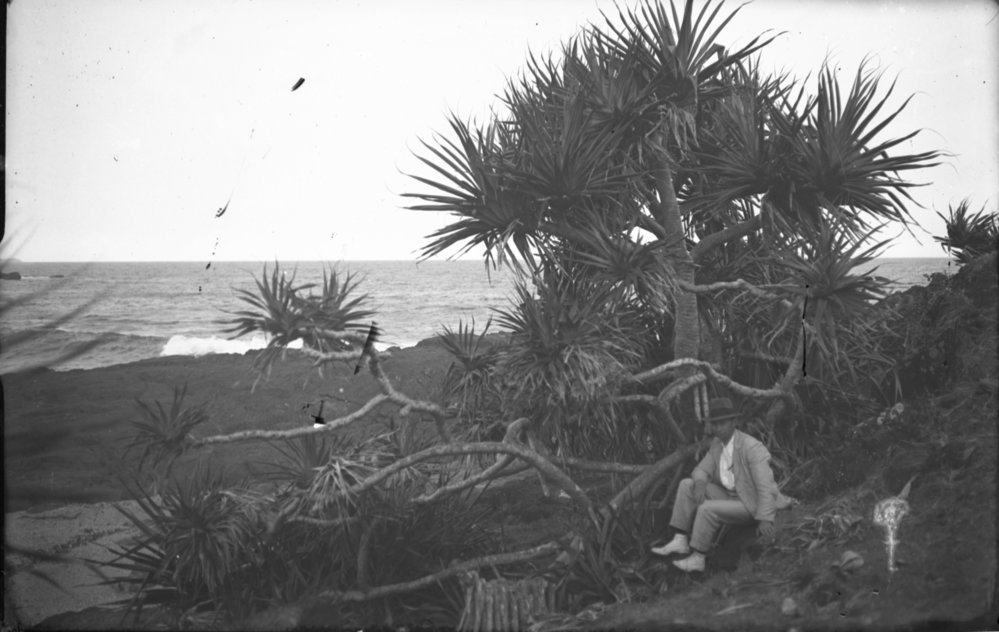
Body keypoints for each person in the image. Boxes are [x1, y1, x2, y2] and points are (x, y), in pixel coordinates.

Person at [651, 396, 782, 572]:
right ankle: (680, 539)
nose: (718, 428)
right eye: (714, 424)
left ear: (734, 422)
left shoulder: (751, 447)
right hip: (729, 496)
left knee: (707, 509)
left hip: (750, 504)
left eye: (723, 423)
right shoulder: (717, 444)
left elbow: (766, 484)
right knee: (686, 485)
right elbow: (702, 469)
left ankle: (698, 558)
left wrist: (766, 518)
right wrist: (699, 483)